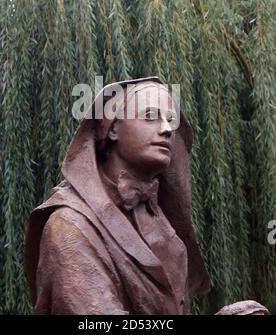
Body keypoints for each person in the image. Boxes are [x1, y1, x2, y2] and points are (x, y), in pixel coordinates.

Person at [24, 77, 267, 315]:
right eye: (151, 116)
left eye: (170, 120)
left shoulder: (161, 223)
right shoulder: (69, 226)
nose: (166, 129)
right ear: (112, 128)